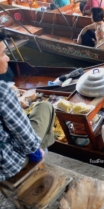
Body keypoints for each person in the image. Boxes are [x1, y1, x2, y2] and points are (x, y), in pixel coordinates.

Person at [0, 33, 55, 181]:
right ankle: (40, 165)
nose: (8, 58)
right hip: (7, 165)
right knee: (45, 107)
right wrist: (36, 152)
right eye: (3, 53)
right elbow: (25, 137)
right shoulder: (2, 91)